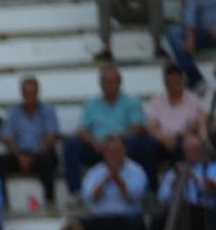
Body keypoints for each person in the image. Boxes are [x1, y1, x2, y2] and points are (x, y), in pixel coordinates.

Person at [64, 63, 152, 196]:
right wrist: (94, 143)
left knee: (146, 145)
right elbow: (82, 129)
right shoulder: (91, 104)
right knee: (71, 147)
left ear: (120, 83)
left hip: (124, 147)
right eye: (105, 82)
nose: (109, 85)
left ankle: (149, 191)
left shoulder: (132, 102)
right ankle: (76, 194)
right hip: (98, 147)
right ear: (100, 83)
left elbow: (139, 128)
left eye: (112, 82)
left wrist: (118, 142)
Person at [80, 136, 149, 230]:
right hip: (101, 220)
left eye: (116, 151)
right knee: (79, 227)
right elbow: (90, 198)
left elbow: (133, 198)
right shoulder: (95, 172)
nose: (113, 155)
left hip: (126, 220)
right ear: (104, 153)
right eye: (109, 152)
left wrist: (117, 179)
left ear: (124, 151)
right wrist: (106, 180)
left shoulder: (136, 170)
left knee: (137, 224)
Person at [0, 76, 60, 207]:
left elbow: (51, 137)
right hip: (20, 154)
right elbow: (7, 137)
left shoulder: (48, 111)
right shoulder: (14, 112)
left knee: (47, 159)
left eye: (32, 92)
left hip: (41, 153)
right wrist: (20, 157)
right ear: (21, 93)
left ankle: (50, 200)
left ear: (38, 92)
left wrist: (34, 157)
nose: (29, 96)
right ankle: (3, 202)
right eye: (26, 92)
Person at [145, 62, 207, 174]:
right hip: (162, 140)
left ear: (183, 81)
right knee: (147, 147)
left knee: (183, 147)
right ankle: (153, 187)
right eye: (170, 82)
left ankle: (181, 182)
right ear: (165, 83)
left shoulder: (194, 100)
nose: (173, 85)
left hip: (182, 138)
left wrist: (177, 137)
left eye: (176, 81)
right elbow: (152, 126)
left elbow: (197, 124)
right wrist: (164, 139)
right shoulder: (157, 100)